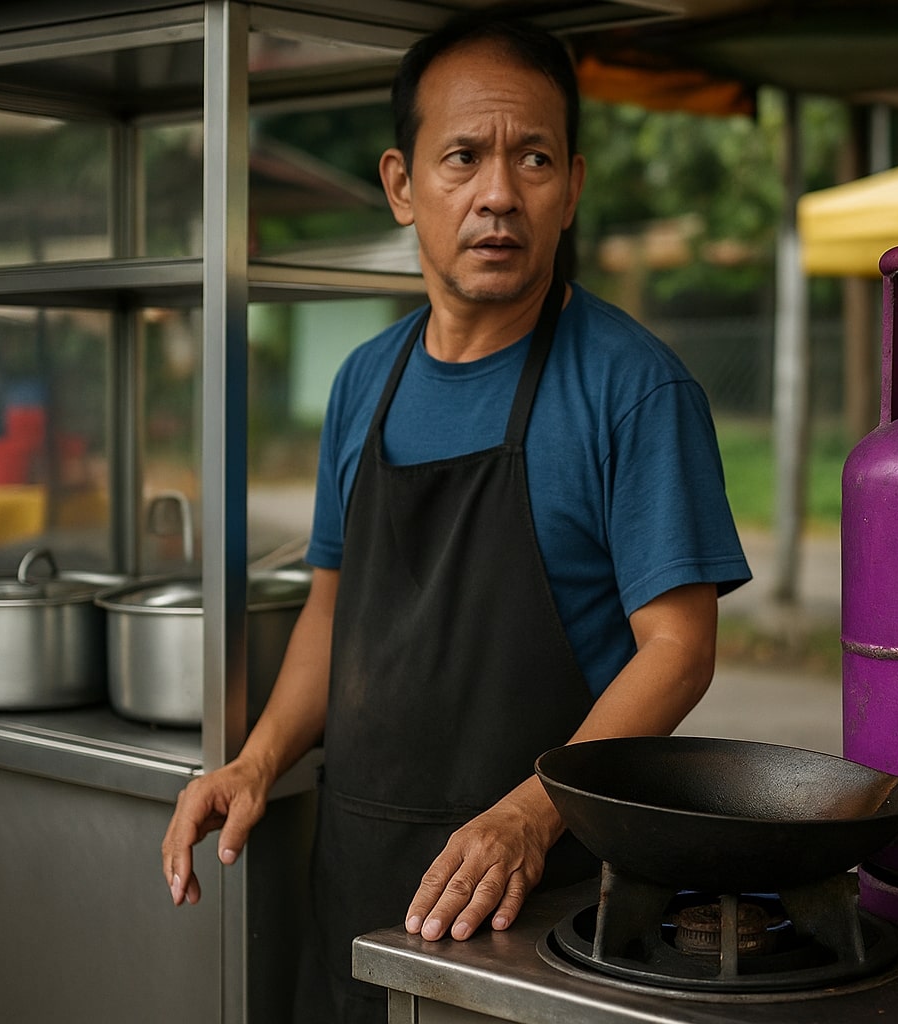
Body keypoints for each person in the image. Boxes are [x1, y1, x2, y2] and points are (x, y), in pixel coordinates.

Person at [160, 14, 750, 1022]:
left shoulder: (634, 389)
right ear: (402, 184)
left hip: (547, 913)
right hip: (357, 886)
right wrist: (257, 760)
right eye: (464, 157)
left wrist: (528, 816)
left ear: (572, 184)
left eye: (533, 159)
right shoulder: (364, 381)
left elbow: (679, 648)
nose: (498, 195)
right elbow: (330, 609)